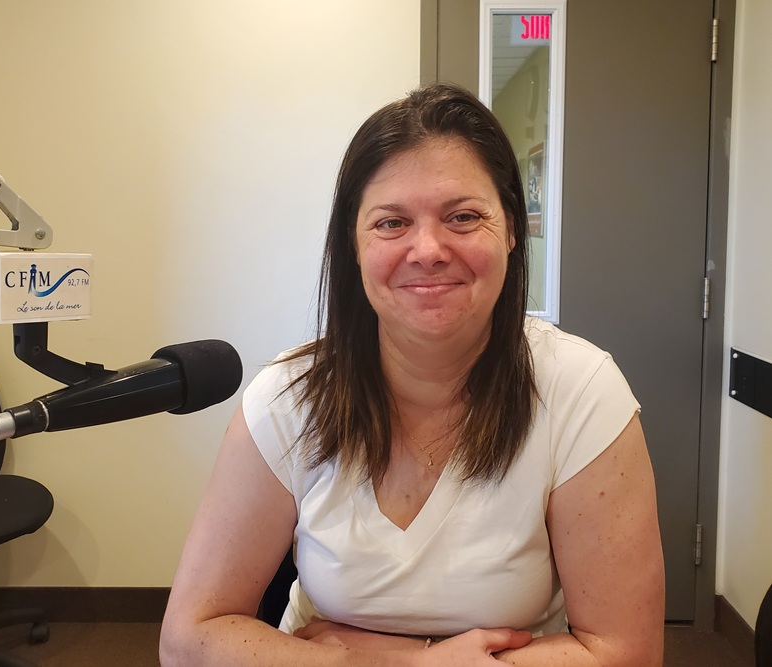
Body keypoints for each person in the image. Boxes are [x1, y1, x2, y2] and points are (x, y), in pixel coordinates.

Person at [159, 82, 665, 666]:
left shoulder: (581, 390)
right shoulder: (287, 398)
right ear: (353, 244)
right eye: (392, 223)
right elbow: (187, 641)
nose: (427, 249)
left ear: (510, 229)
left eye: (463, 217)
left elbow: (625, 654)